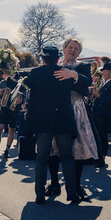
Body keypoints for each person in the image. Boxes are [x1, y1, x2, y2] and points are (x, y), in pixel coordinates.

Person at [22, 46, 87, 205]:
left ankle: (39, 194)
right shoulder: (64, 73)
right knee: (67, 156)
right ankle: (71, 194)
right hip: (63, 120)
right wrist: (74, 75)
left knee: (42, 157)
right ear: (58, 59)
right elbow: (85, 87)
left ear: (42, 59)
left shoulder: (36, 73)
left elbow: (25, 84)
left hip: (43, 121)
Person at [40, 38, 98, 201]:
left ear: (79, 52)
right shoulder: (54, 65)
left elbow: (87, 85)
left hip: (76, 109)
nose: (72, 50)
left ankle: (77, 186)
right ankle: (54, 183)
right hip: (56, 109)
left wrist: (72, 75)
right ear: (64, 49)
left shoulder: (83, 66)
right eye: (70, 47)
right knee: (53, 148)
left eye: (76, 48)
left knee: (77, 148)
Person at [91, 62, 111, 167]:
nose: (103, 72)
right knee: (97, 135)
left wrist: (98, 95)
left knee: (102, 135)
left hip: (105, 113)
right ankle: (97, 156)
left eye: (105, 71)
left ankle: (102, 157)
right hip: (97, 111)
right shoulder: (103, 82)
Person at [0, 79, 23, 159]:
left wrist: (21, 100)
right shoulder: (3, 81)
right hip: (4, 108)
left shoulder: (19, 81)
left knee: (11, 130)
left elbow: (23, 95)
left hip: (14, 109)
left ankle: (7, 150)